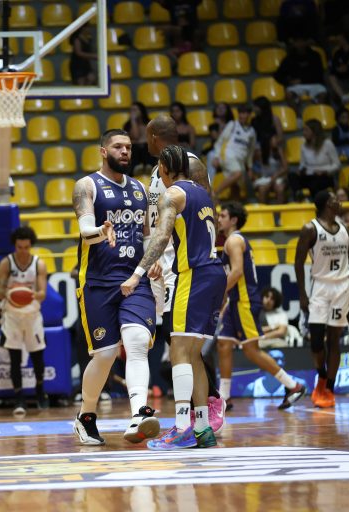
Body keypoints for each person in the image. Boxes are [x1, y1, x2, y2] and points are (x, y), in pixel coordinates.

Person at [121, 144, 226, 450]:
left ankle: (182, 427)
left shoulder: (173, 194)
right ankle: (203, 428)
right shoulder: (203, 193)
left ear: (164, 170)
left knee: (179, 350)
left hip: (193, 275)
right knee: (192, 354)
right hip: (214, 273)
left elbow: (160, 236)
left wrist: (137, 273)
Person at [71, 129, 159, 446]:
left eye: (128, 147)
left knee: (136, 341)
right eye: (118, 146)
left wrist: (152, 259)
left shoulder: (140, 189)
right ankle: (86, 415)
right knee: (106, 354)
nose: (125, 151)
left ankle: (138, 414)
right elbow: (85, 230)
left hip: (135, 279)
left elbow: (147, 234)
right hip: (97, 281)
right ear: (103, 151)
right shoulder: (87, 185)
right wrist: (101, 230)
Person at [145, 116, 226, 433]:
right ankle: (198, 415)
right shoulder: (159, 172)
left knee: (184, 340)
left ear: (154, 137)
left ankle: (209, 402)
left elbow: (206, 209)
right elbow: (155, 221)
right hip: (166, 259)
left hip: (188, 260)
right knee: (175, 337)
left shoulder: (190, 166)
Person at [216, 202, 307, 411]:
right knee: (223, 344)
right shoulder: (233, 240)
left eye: (223, 216)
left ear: (233, 220)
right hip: (235, 301)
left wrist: (219, 293)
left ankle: (293, 386)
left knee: (251, 350)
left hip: (245, 301)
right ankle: (224, 397)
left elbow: (237, 271)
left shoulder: (234, 240)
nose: (219, 219)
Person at [295, 190, 349, 408]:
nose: (339, 201)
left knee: (334, 339)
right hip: (320, 286)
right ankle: (322, 377)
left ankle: (330, 389)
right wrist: (302, 294)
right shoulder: (310, 229)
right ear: (327, 204)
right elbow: (298, 263)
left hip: (342, 287)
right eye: (335, 199)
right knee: (316, 341)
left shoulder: (346, 229)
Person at [0, 226, 49, 415]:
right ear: (15, 246)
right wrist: (10, 292)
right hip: (12, 315)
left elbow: (42, 294)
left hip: (32, 314)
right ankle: (19, 398)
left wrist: (29, 294)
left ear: (30, 246)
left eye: (26, 247)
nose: (23, 251)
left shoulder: (39, 264)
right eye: (20, 247)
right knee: (15, 358)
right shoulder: (6, 263)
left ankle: (40, 392)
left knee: (37, 357)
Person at [212, 105, 257, 201]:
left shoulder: (252, 132)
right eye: (240, 113)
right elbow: (220, 141)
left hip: (240, 160)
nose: (242, 116)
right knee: (237, 173)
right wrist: (216, 156)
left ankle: (231, 206)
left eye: (244, 113)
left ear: (249, 115)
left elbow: (250, 152)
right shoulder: (232, 125)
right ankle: (215, 193)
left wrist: (249, 168)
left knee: (236, 187)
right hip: (228, 155)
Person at [290, 119, 341, 199]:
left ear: (314, 132)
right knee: (292, 176)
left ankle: (316, 203)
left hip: (324, 176)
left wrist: (324, 171)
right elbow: (303, 164)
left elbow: (337, 164)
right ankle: (299, 197)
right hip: (309, 175)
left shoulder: (327, 144)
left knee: (315, 183)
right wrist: (300, 170)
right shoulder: (304, 146)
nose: (304, 133)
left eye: (306, 130)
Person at [274, 37, 328, 110]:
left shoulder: (315, 56)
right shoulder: (289, 58)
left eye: (302, 41)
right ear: (294, 44)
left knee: (323, 93)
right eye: (298, 42)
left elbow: (319, 74)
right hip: (296, 86)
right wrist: (289, 82)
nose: (300, 44)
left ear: (306, 42)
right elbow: (278, 75)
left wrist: (302, 80)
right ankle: (296, 115)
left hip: (314, 83)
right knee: (289, 94)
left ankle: (318, 112)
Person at [253, 135, 288, 204]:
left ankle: (281, 210)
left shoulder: (279, 151)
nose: (276, 140)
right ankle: (263, 210)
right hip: (265, 178)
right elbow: (250, 161)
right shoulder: (260, 152)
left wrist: (275, 176)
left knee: (280, 189)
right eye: (274, 139)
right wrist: (254, 174)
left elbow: (285, 168)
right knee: (262, 189)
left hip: (277, 178)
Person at [124, 102, 155, 176]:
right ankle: (136, 169)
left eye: (135, 110)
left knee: (146, 146)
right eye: (131, 110)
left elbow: (152, 140)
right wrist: (133, 120)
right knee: (135, 148)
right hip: (135, 151)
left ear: (141, 111)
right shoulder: (128, 125)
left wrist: (139, 141)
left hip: (147, 150)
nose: (133, 112)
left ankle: (149, 167)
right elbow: (136, 136)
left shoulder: (150, 123)